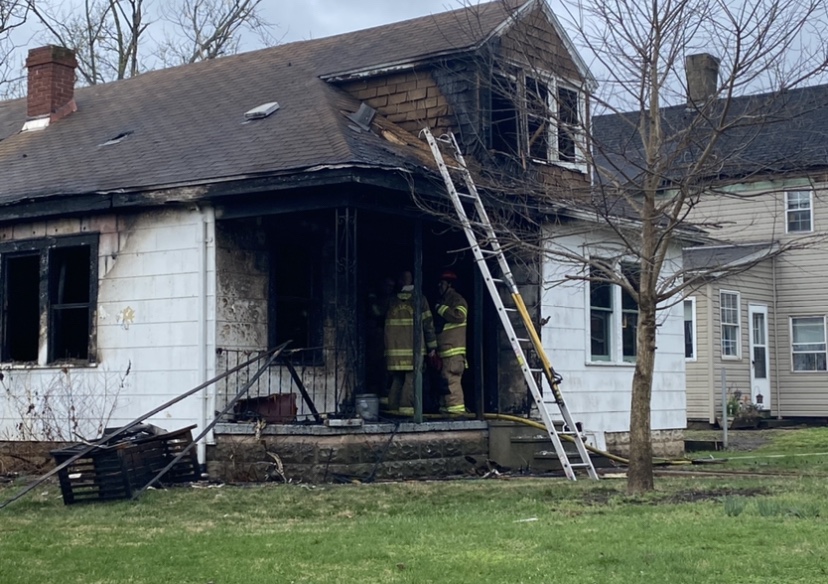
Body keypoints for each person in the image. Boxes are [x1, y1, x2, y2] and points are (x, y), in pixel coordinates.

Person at [384, 270, 437, 416]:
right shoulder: (419, 299)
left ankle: (393, 410)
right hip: (414, 349)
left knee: (397, 379)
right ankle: (406, 411)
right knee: (412, 378)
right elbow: (428, 324)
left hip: (394, 350)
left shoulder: (391, 300)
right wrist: (432, 346)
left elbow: (377, 313)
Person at [434, 270, 468, 414]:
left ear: (450, 284)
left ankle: (456, 413)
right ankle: (445, 411)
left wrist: (440, 309)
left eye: (442, 284)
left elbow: (459, 316)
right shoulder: (445, 300)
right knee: (444, 384)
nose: (439, 286)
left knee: (451, 382)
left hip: (453, 352)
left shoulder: (456, 300)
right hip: (445, 351)